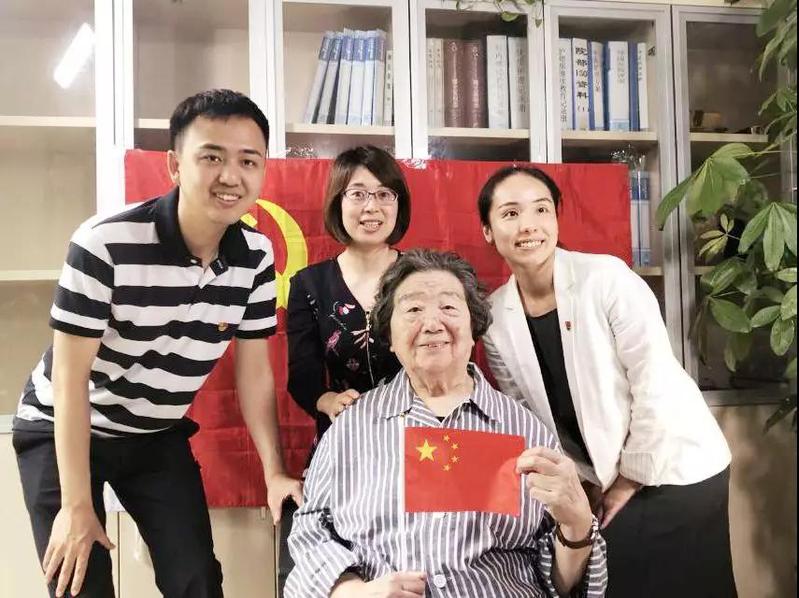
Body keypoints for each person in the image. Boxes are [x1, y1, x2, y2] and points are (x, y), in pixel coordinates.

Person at [12, 89, 302, 598]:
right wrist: (76, 506)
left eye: (248, 160)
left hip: (154, 434)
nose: (230, 176)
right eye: (211, 157)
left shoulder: (256, 257)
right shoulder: (104, 243)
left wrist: (274, 472)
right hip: (64, 424)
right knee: (79, 581)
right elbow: (70, 379)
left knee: (196, 580)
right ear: (174, 165)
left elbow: (254, 372)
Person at [285, 249, 608, 598]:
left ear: (474, 328)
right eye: (413, 310)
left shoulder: (524, 430)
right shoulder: (351, 429)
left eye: (449, 307)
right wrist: (352, 592)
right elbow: (311, 532)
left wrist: (577, 525)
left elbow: (562, 585)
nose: (432, 323)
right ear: (389, 337)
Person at [478, 165, 735, 597]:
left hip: (673, 463)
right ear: (488, 230)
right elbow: (524, 414)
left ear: (556, 217)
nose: (529, 225)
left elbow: (655, 384)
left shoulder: (605, 278)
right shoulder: (495, 316)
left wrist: (627, 481)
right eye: (510, 213)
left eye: (541, 209)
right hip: (599, 479)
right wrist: (580, 483)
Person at [279, 145, 409, 593]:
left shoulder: (424, 274)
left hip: (419, 442)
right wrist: (327, 400)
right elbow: (301, 372)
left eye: (385, 194)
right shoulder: (309, 284)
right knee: (332, 563)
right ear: (338, 202)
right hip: (343, 444)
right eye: (358, 193)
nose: (372, 207)